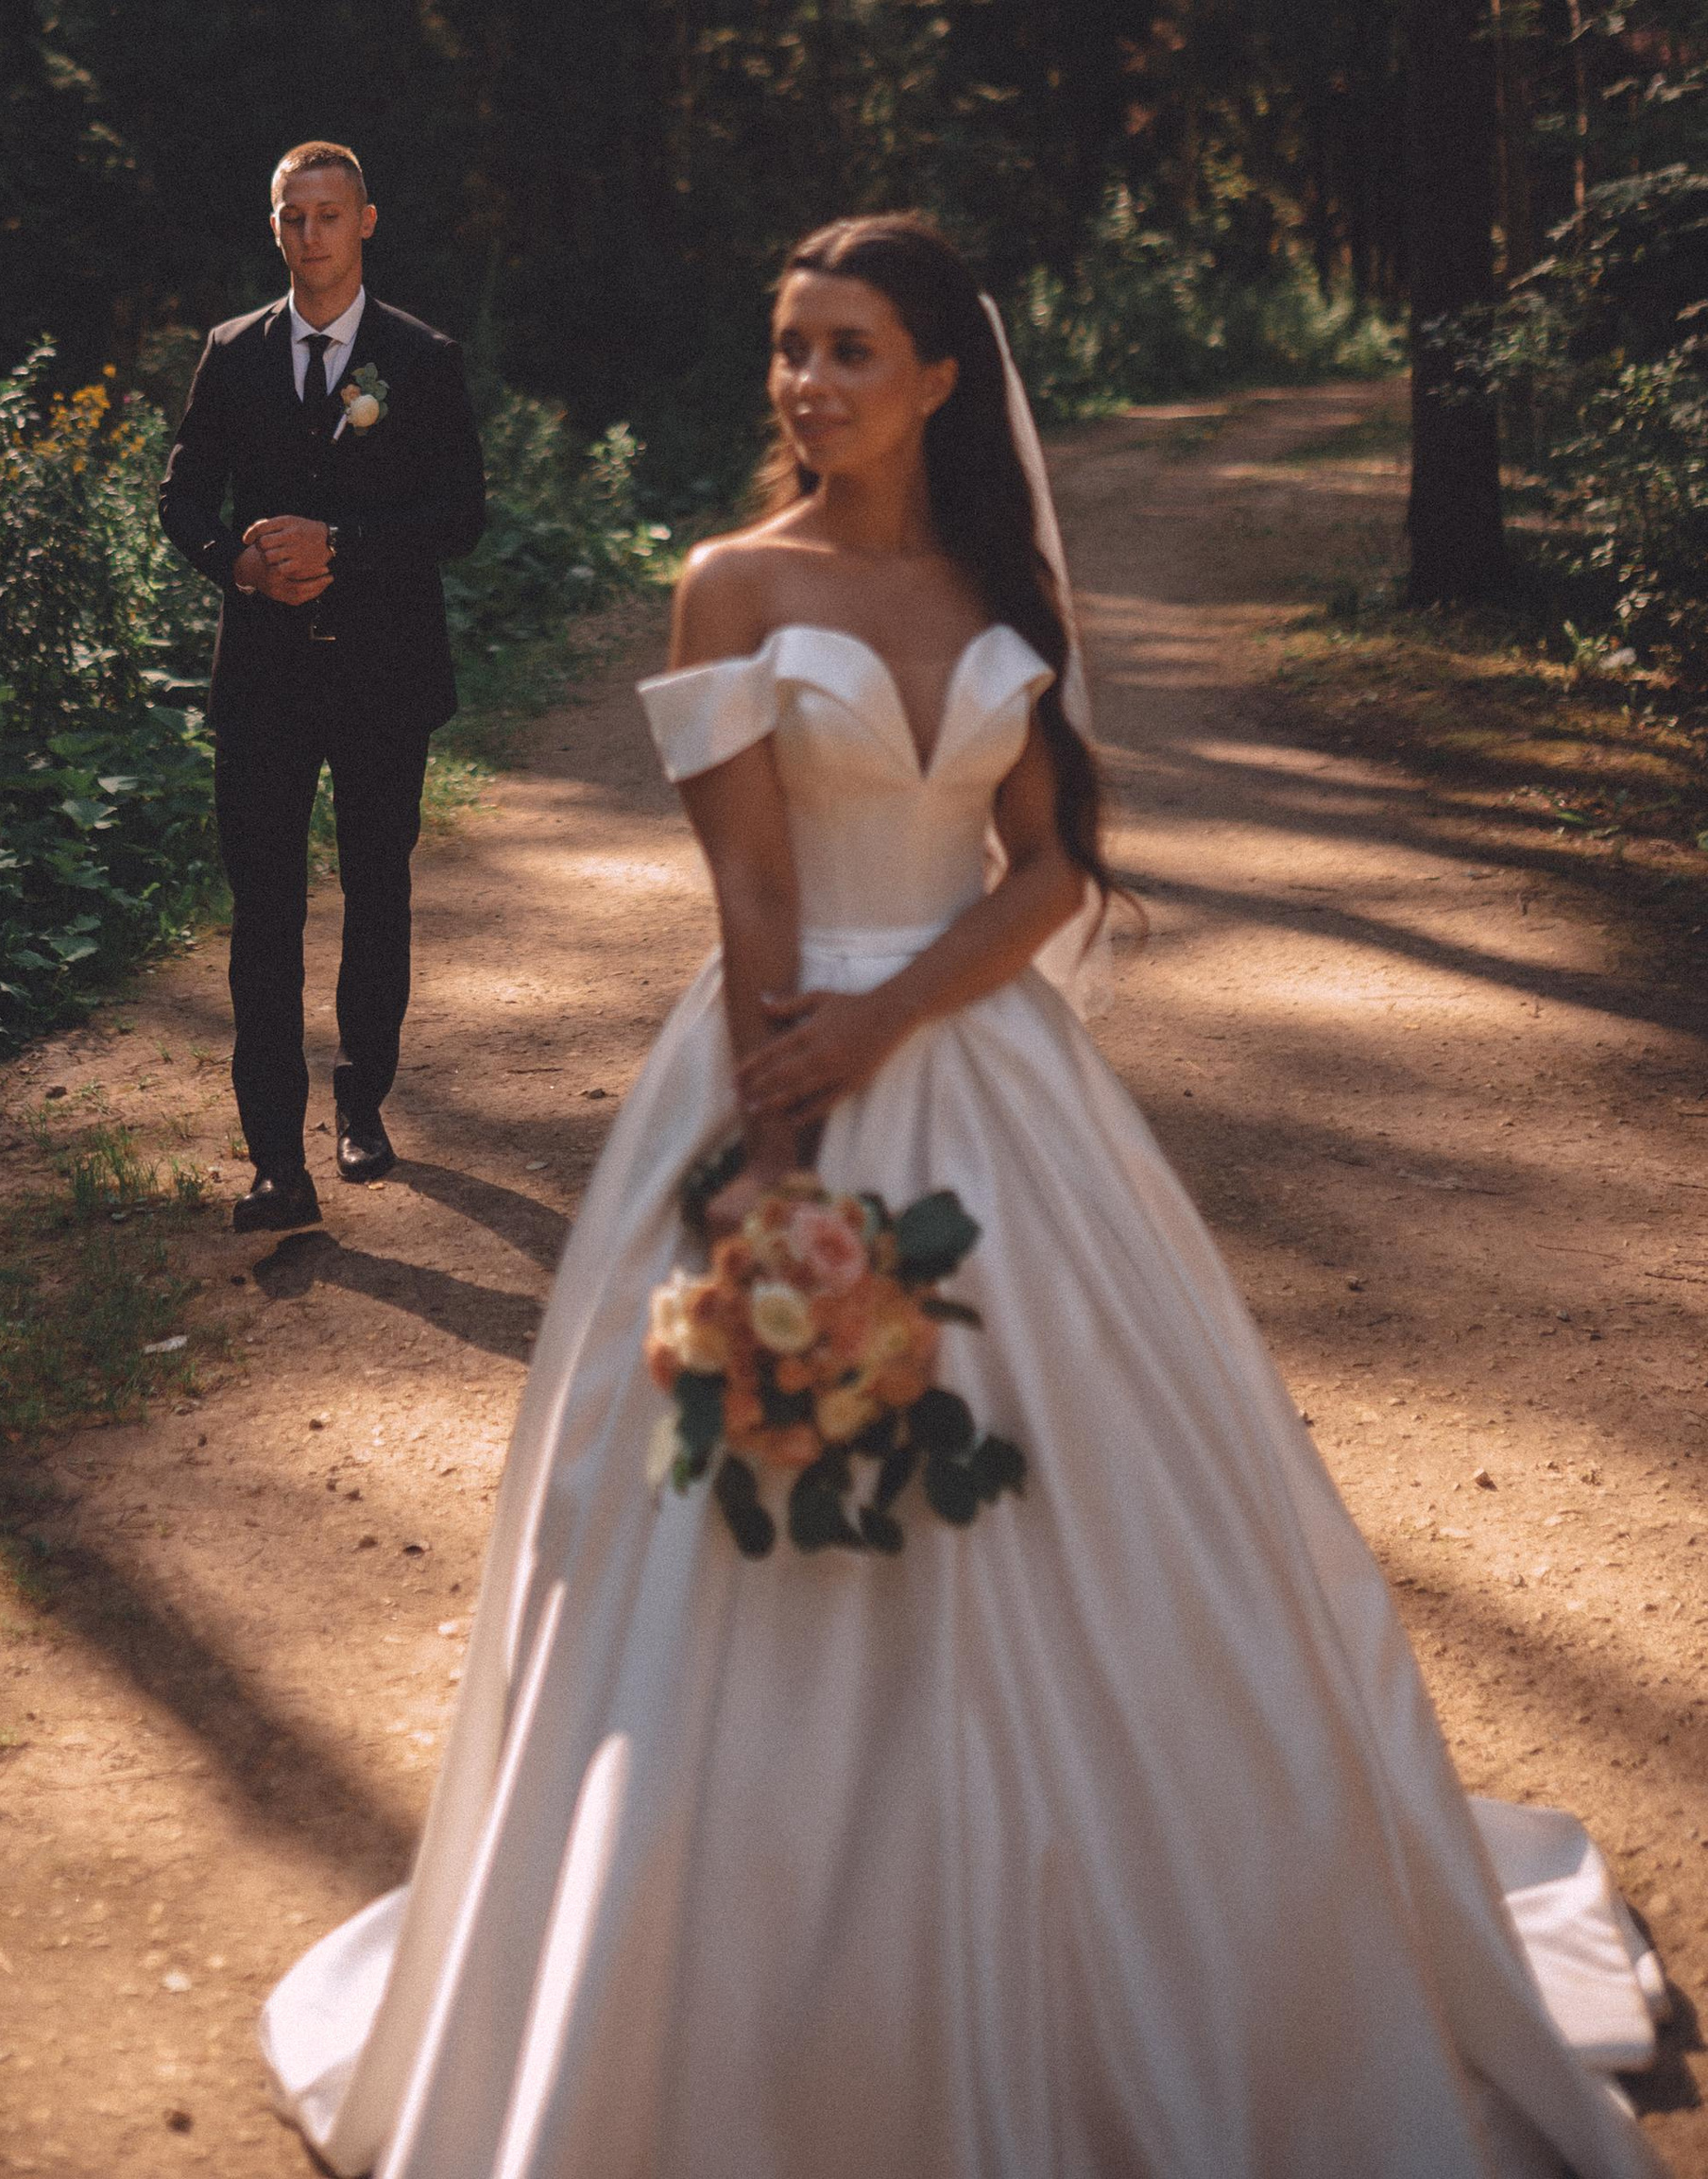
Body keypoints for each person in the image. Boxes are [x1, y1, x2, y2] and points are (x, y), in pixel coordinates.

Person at [258, 214, 1666, 2175]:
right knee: (736, 1514)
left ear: (937, 375)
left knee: (1110, 1490)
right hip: (771, 1066)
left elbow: (1044, 868)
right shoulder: (726, 587)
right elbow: (754, 901)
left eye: (846, 349)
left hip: (995, 1086)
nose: (805, 383)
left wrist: (894, 1020)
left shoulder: (995, 584)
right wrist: (780, 1157)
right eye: (786, 347)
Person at [161, 142, 487, 1234]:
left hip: (384, 675)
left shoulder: (419, 359)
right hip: (262, 679)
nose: (309, 235)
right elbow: (183, 501)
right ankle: (273, 1164)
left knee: (375, 891)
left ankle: (363, 1100)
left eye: (328, 215)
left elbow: (459, 517)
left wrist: (340, 541)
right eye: (290, 217)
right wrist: (240, 565)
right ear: (274, 229)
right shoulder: (232, 353)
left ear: (365, 223)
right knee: (264, 913)